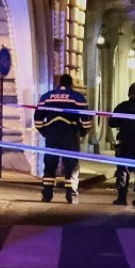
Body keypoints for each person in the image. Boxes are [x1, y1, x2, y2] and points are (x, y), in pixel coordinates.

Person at [33, 73, 92, 203]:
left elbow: (37, 119)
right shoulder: (78, 98)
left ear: (59, 83)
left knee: (50, 164)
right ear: (71, 84)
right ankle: (71, 195)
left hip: (52, 136)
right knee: (71, 165)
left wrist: (46, 132)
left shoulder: (47, 97)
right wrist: (81, 133)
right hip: (70, 135)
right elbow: (87, 121)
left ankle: (47, 194)